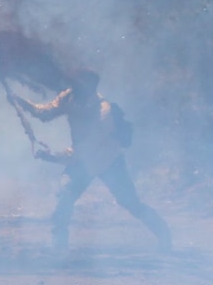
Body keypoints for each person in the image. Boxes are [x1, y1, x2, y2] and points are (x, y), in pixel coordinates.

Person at [10, 69, 172, 253]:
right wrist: (20, 101)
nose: (74, 90)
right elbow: (45, 113)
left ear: (90, 90)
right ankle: (59, 249)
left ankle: (165, 235)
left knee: (131, 203)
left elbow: (81, 153)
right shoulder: (69, 97)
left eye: (79, 88)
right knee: (65, 197)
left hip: (108, 161)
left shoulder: (104, 114)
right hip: (83, 161)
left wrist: (51, 157)